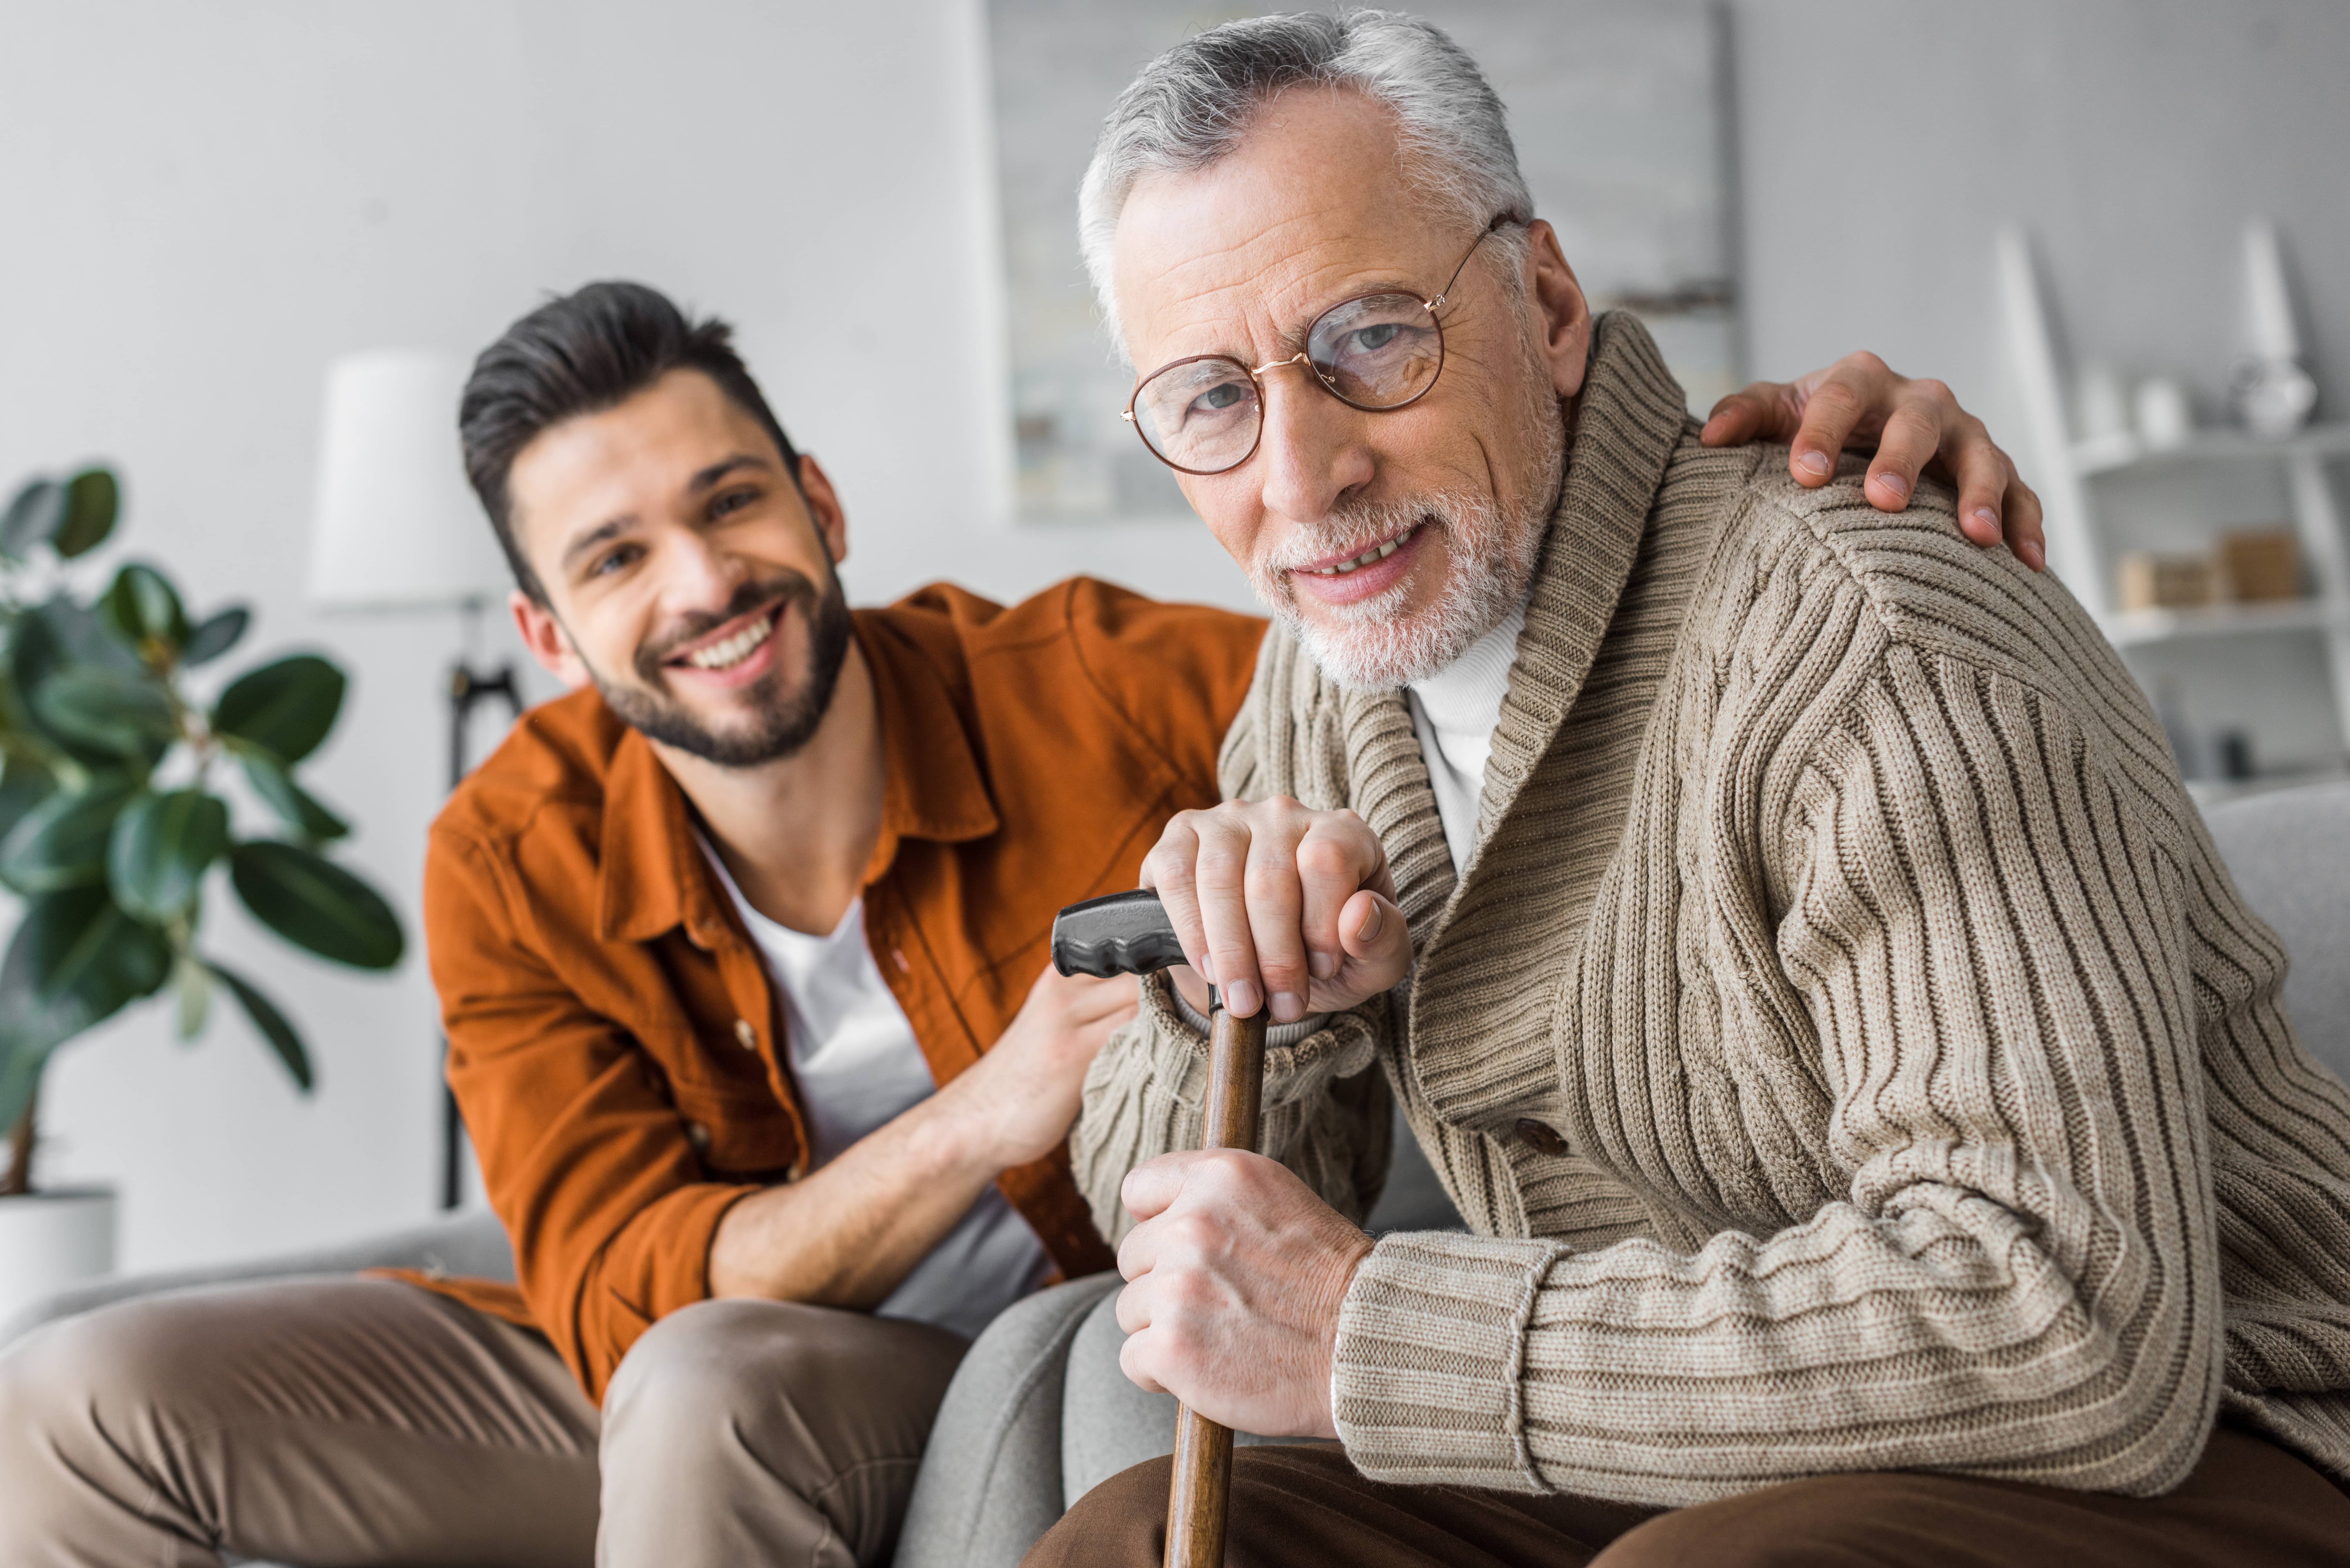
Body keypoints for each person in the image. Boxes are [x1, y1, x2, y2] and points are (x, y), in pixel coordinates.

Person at [0, 270, 2037, 1564]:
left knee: (719, 1385)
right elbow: (615, 1292)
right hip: (624, 1367)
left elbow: (1408, 609)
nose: (701, 582)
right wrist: (989, 1107)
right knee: (74, 1403)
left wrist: (1766, 477)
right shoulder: (508, 853)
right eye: (616, 556)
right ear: (547, 632)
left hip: (945, 1373)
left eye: (727, 505)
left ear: (821, 502)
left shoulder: (1105, 684)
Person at [1031, 12, 2350, 1568]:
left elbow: (2067, 1323)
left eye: (1373, 338)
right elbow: (1161, 1222)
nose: (1299, 476)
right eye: (1208, 400)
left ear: (1548, 301)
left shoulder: (1862, 627)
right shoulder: (1322, 679)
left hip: (2221, 1442)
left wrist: (1364, 1331)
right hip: (1688, 1460)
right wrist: (1254, 995)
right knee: (1136, 1541)